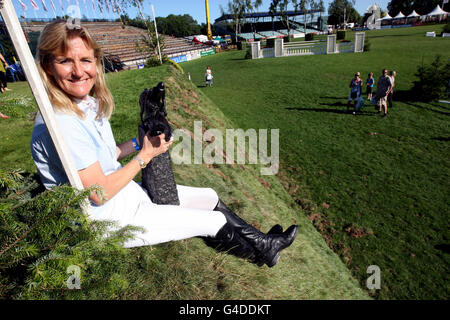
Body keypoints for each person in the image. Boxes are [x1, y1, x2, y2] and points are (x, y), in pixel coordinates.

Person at [30, 20, 297, 268]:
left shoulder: (82, 105)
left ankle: (264, 243)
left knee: (209, 196)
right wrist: (144, 157)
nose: (79, 71)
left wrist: (137, 142)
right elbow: (98, 193)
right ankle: (262, 254)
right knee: (213, 221)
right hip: (111, 222)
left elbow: (100, 159)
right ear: (47, 65)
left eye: (86, 60)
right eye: (65, 61)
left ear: (96, 63)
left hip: (127, 198)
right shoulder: (60, 122)